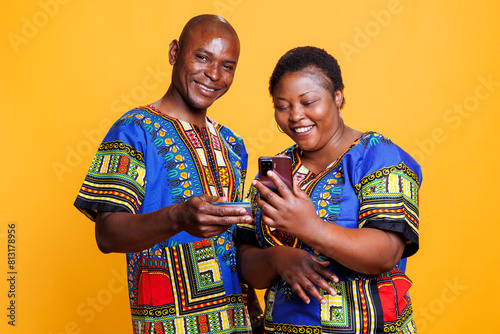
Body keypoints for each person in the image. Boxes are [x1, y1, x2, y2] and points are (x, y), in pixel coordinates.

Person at [74, 15, 261, 334]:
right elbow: (106, 235)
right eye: (202, 57)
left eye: (227, 66)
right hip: (167, 325)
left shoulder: (233, 145)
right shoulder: (133, 130)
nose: (214, 75)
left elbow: (232, 243)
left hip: (237, 324)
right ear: (175, 52)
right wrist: (177, 218)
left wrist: (254, 312)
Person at [236, 46, 422, 333]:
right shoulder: (275, 171)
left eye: (308, 102)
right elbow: (248, 265)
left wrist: (309, 227)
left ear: (338, 96)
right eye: (282, 106)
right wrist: (277, 259)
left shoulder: (377, 157)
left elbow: (385, 254)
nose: (296, 116)